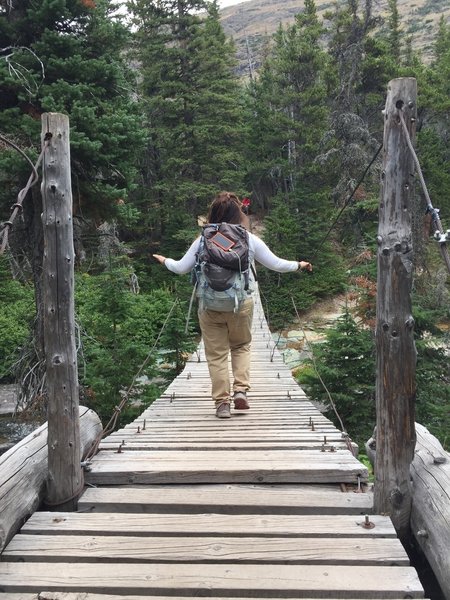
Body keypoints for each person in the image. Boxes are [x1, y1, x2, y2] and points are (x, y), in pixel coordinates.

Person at [153, 191, 312, 419]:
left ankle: (222, 404)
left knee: (216, 355)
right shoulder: (248, 239)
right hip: (240, 304)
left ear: (213, 213)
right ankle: (240, 391)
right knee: (241, 346)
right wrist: (299, 265)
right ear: (238, 214)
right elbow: (276, 264)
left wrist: (164, 260)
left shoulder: (203, 240)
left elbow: (180, 268)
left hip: (209, 306)